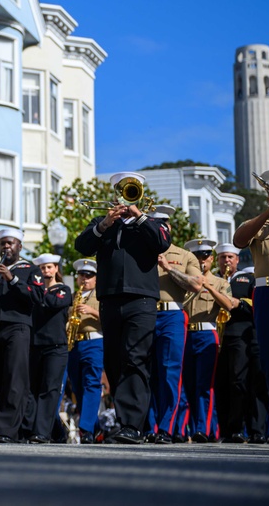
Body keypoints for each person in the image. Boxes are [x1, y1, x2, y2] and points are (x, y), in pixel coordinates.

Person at [74, 172, 171, 444]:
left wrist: (138, 215)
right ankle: (124, 418)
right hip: (110, 298)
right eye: (122, 190)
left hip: (141, 299)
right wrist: (105, 223)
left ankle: (132, 424)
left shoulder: (151, 222)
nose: (126, 196)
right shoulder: (104, 223)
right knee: (114, 360)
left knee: (135, 357)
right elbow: (81, 245)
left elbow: (162, 242)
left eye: (131, 190)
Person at [0, 228, 42, 443]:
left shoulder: (30, 269)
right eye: (3, 243)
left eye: (10, 243)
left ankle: (6, 431)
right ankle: (4, 427)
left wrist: (12, 279)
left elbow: (37, 297)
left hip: (18, 327)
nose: (6, 247)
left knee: (14, 379)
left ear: (19, 246)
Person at [148, 204, 203, 444]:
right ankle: (148, 427)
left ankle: (166, 428)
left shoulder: (184, 255)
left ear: (169, 227)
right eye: (154, 224)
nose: (160, 228)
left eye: (163, 224)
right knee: (147, 372)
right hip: (145, 315)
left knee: (170, 372)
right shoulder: (140, 252)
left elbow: (196, 284)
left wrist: (169, 269)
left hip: (172, 315)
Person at [213, 243, 268, 443]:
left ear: (237, 260)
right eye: (222, 257)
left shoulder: (246, 279)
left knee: (251, 382)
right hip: (221, 337)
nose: (226, 261)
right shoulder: (213, 279)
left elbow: (253, 303)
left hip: (244, 334)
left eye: (230, 257)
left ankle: (256, 429)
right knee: (225, 384)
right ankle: (231, 429)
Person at [181, 239, 235, 443]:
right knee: (188, 384)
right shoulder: (184, 282)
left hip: (206, 334)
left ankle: (204, 428)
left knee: (205, 384)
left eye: (204, 256)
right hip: (187, 334)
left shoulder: (220, 282)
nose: (201, 260)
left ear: (211, 259)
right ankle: (195, 427)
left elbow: (229, 305)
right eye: (197, 257)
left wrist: (209, 288)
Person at [25, 254, 72, 443]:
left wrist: (39, 291)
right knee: (34, 390)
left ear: (56, 269)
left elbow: (55, 302)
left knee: (50, 390)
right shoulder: (34, 292)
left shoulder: (64, 289)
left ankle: (42, 433)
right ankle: (56, 431)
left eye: (49, 267)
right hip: (35, 345)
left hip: (56, 346)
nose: (45, 271)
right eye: (42, 268)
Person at [66, 258, 104, 444]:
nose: (84, 279)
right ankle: (95, 428)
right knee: (78, 388)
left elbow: (111, 319)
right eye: (82, 275)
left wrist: (91, 311)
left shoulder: (101, 296)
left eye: (89, 275)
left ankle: (86, 429)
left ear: (96, 278)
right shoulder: (74, 296)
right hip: (75, 344)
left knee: (91, 383)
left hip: (95, 341)